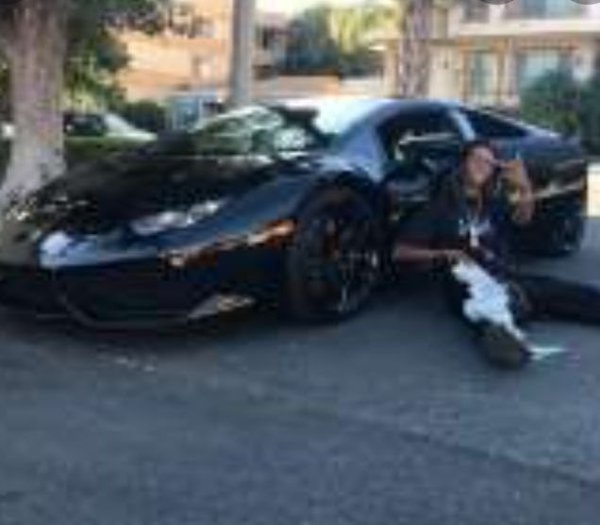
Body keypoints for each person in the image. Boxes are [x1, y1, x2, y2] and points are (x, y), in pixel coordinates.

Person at [394, 139, 600, 369]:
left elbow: (522, 219)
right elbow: (400, 251)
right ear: (462, 164)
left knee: (563, 292)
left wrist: (525, 188)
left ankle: (515, 315)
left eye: (489, 162)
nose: (483, 165)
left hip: (504, 276)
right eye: (477, 159)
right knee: (485, 311)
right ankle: (504, 341)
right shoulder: (439, 207)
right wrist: (444, 253)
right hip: (466, 284)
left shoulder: (493, 202)